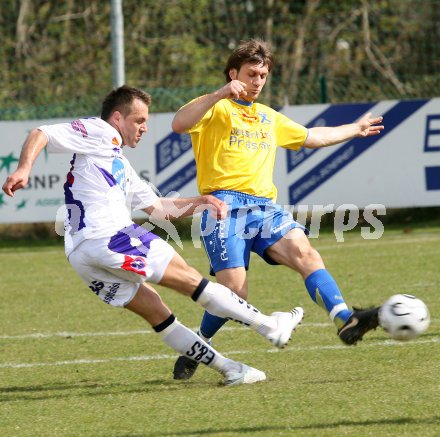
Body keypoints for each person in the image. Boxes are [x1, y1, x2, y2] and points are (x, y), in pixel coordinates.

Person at [2, 85, 305, 387]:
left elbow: (159, 209)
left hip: (82, 254)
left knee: (159, 313)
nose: (145, 127)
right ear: (117, 118)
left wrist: (202, 201)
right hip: (109, 235)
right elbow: (41, 132)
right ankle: (269, 326)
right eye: (139, 120)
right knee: (192, 281)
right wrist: (24, 169)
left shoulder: (118, 162)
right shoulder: (99, 131)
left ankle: (231, 369)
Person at [171, 38, 385, 380]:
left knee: (307, 254)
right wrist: (219, 94)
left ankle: (346, 319)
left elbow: (313, 136)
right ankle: (199, 343)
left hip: (264, 207)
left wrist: (354, 130)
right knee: (234, 293)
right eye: (251, 74)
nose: (257, 81)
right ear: (233, 74)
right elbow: (179, 124)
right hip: (223, 207)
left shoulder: (268, 118)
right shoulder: (216, 107)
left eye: (263, 75)